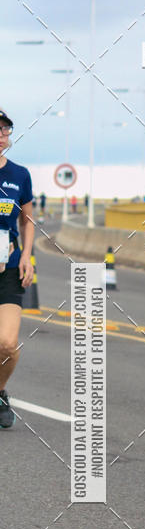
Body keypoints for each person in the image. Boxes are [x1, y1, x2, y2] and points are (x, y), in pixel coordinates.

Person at [0, 108, 34, 428]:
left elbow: (28, 219)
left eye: (5, 129)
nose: (1, 134)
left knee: (8, 345)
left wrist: (26, 255)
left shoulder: (19, 175)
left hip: (8, 270)